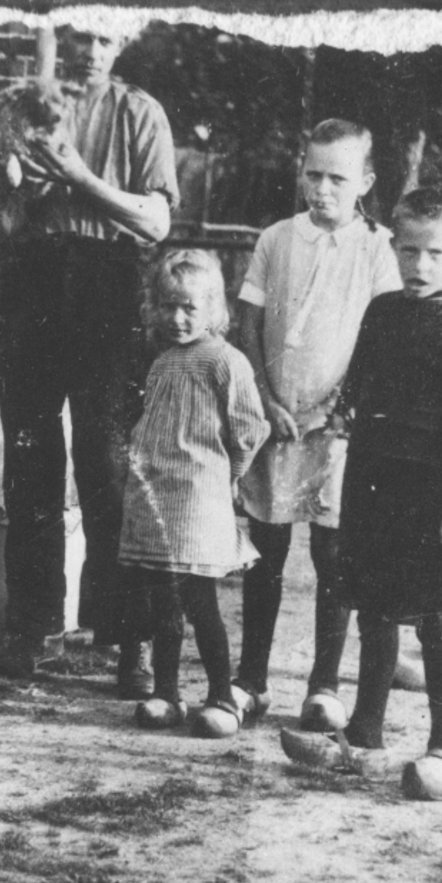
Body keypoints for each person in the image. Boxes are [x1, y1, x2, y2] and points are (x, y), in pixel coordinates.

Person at [0, 28, 180, 696]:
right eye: (79, 31)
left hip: (106, 286)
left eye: (105, 34)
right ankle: (32, 628)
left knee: (108, 464)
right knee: (30, 461)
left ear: (124, 38)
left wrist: (79, 176)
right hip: (30, 284)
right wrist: (3, 180)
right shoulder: (22, 106)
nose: (91, 49)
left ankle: (127, 637)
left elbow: (156, 223)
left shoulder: (139, 111)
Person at [281, 190, 442, 801]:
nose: (420, 265)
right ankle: (365, 733)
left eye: (435, 254)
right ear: (394, 248)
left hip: (430, 489)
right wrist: (330, 425)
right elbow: (356, 390)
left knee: (434, 614)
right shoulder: (382, 312)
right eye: (409, 251)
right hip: (371, 479)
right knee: (373, 605)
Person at [235, 118, 401, 731]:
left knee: (333, 557)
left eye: (338, 178)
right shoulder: (277, 238)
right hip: (276, 419)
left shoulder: (377, 248)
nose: (323, 189)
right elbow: (248, 324)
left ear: (366, 183)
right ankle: (251, 679)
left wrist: (336, 407)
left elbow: (382, 335)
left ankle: (324, 685)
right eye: (313, 175)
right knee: (265, 552)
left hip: (336, 428)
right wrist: (264, 398)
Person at [118, 250, 269, 738]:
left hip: (199, 501)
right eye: (168, 305)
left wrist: (229, 475)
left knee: (201, 604)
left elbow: (249, 428)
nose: (177, 318)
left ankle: (222, 696)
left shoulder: (225, 361)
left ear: (213, 309)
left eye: (189, 307)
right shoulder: (161, 361)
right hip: (158, 500)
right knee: (164, 606)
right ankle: (167, 694)